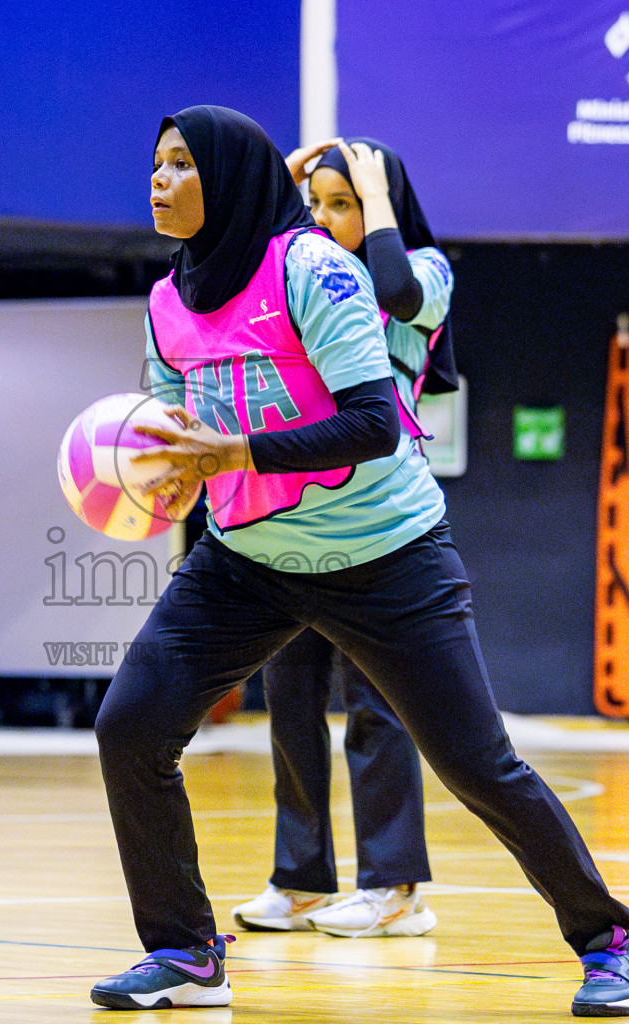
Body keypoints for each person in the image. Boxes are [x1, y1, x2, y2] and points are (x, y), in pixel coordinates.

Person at [89, 105, 629, 1016]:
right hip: (248, 556)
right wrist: (148, 472)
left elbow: (373, 422)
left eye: (181, 164)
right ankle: (186, 952)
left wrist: (237, 454)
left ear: (229, 176)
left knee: (477, 765)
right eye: (154, 164)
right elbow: (170, 430)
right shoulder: (165, 300)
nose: (158, 179)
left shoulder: (311, 269)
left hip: (387, 554)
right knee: (132, 724)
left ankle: (608, 937)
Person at [230, 137, 457, 939]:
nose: (323, 221)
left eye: (343, 205)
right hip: (296, 516)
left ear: (379, 204)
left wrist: (378, 199)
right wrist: (276, 188)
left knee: (377, 705)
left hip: (379, 523)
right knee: (290, 699)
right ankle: (301, 881)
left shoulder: (428, 269)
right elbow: (247, 258)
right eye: (315, 207)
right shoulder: (296, 269)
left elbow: (393, 290)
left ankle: (395, 889)